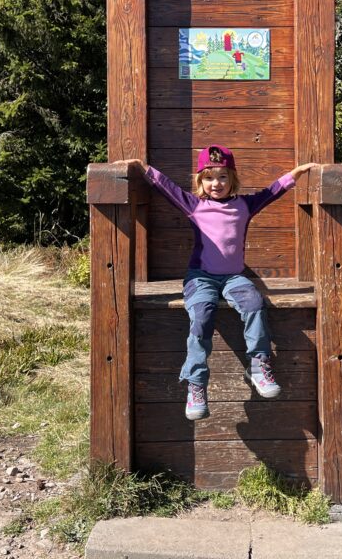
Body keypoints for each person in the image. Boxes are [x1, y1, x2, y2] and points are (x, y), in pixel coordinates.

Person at [118, 146, 315, 420]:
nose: (216, 183)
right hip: (201, 277)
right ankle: (196, 384)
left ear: (232, 179)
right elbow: (166, 188)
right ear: (201, 181)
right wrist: (143, 167)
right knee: (202, 313)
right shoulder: (194, 205)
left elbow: (272, 192)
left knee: (254, 303)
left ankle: (259, 365)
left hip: (234, 277)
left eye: (223, 177)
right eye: (209, 178)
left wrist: (295, 174)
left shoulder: (244, 205)